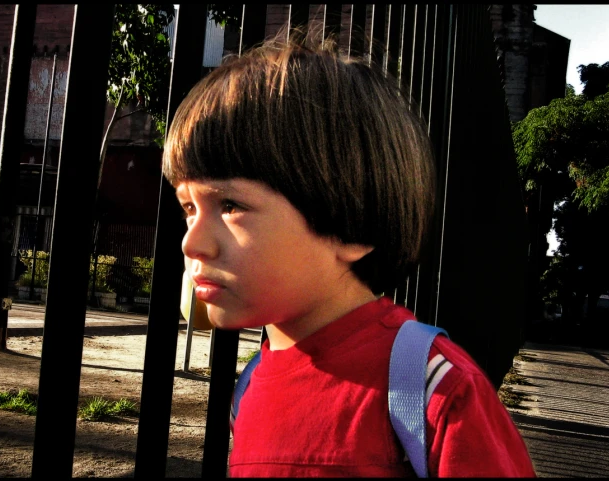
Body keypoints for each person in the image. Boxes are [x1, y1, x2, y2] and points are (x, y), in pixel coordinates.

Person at [162, 28, 536, 477]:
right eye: (189, 206)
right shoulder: (249, 387)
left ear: (350, 226)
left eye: (230, 205)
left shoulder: (432, 389)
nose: (192, 241)